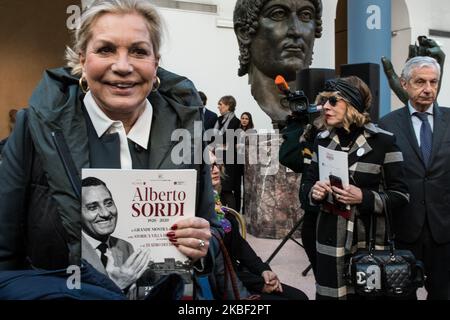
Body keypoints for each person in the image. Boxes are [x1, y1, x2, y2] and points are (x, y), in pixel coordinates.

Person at [0, 0, 213, 298]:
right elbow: (5, 253)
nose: (123, 66)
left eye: (139, 51)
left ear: (156, 63)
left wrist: (204, 244)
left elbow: (210, 229)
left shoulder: (187, 130)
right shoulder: (33, 129)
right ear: (82, 60)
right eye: (106, 49)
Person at [301, 76, 409, 300]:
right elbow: (306, 187)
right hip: (329, 238)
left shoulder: (384, 142)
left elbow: (401, 195)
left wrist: (364, 197)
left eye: (333, 101)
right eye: (324, 101)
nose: (325, 107)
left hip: (367, 242)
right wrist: (315, 192)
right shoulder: (321, 140)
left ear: (352, 104)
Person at [379, 56, 450, 300]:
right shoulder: (386, 125)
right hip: (403, 229)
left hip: (445, 231)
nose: (428, 89)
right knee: (401, 294)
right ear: (404, 83)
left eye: (434, 82)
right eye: (420, 81)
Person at [209, 151, 308, 300]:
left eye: (216, 164)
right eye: (209, 167)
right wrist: (258, 283)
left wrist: (263, 270)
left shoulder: (218, 199)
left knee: (299, 297)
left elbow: (239, 245)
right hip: (224, 286)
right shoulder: (198, 211)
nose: (216, 170)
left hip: (239, 275)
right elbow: (218, 271)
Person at [233, 0, 323, 125]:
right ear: (244, 32)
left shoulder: (323, 109)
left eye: (306, 15)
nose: (296, 31)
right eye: (278, 14)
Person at [81, 177, 151, 298]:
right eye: (93, 207)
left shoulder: (125, 247)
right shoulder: (68, 253)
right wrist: (117, 286)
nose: (106, 213)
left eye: (109, 203)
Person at [213, 95, 241, 211]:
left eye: (221, 104)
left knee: (227, 189)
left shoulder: (236, 121)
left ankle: (234, 218)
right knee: (221, 190)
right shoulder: (219, 120)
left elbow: (226, 139)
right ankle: (223, 217)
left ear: (228, 106)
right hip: (218, 157)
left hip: (229, 159)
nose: (218, 107)